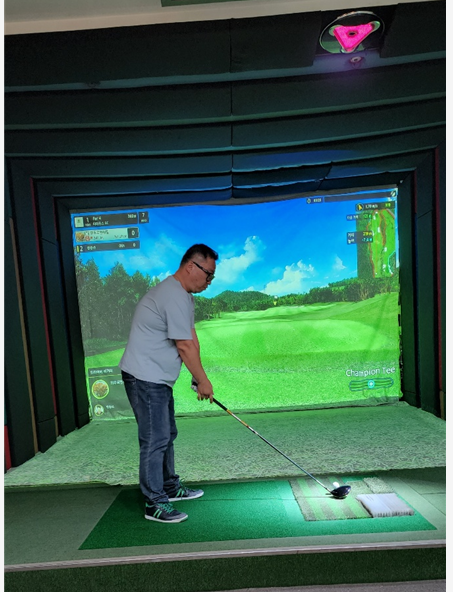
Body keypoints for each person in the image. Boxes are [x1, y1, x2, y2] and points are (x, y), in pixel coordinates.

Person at [119, 244, 218, 524]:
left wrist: (198, 375)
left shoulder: (184, 297)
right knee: (155, 439)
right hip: (144, 376)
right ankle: (155, 503)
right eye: (208, 274)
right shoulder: (172, 295)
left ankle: (169, 487)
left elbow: (191, 339)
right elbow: (183, 346)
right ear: (191, 266)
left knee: (167, 433)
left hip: (157, 377)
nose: (209, 281)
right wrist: (203, 380)